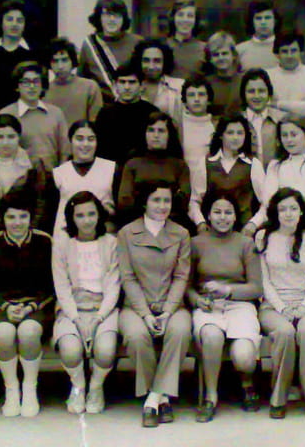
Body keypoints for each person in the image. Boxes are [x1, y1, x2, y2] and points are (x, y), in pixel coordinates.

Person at [117, 180, 191, 428]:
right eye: (156, 200)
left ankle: (152, 398)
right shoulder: (127, 233)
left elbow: (181, 277)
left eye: (166, 200)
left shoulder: (181, 234)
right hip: (136, 306)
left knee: (180, 331)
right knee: (136, 336)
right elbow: (128, 277)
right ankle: (163, 398)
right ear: (144, 203)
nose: (162, 206)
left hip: (172, 306)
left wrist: (168, 311)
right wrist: (146, 314)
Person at [189, 193, 262, 423]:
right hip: (208, 305)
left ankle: (247, 383)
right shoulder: (196, 243)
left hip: (239, 305)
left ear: (235, 216)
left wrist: (228, 290)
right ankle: (211, 396)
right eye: (217, 212)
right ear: (208, 215)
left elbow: (256, 288)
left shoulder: (245, 243)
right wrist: (196, 300)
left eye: (228, 212)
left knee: (244, 356)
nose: (223, 217)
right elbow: (186, 285)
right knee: (211, 336)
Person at [0, 192, 54, 418]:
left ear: (31, 217)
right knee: (4, 333)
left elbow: (52, 286)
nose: (17, 222)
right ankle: (11, 390)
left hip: (37, 307)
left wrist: (31, 306)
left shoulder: (44, 241)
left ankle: (30, 389)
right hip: (1, 307)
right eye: (11, 217)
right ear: (3, 219)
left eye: (23, 216)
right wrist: (6, 307)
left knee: (28, 332)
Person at [256, 188, 305, 420]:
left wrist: (304, 307)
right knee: (285, 333)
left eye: (293, 208)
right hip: (273, 306)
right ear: (275, 212)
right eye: (283, 209)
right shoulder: (263, 236)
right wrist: (282, 308)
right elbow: (264, 281)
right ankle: (278, 399)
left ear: (301, 212)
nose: (288, 213)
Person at [52, 191, 120, 414]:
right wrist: (75, 318)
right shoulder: (63, 244)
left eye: (91, 214)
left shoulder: (111, 243)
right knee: (70, 349)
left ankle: (96, 387)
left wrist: (100, 317)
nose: (87, 220)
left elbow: (113, 285)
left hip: (103, 307)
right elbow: (62, 286)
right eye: (80, 215)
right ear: (72, 218)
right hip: (72, 307)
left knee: (106, 349)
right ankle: (78, 386)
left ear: (99, 215)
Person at [0, 114, 49, 242]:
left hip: (26, 235)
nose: (5, 142)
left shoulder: (33, 164)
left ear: (19, 137)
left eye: (11, 137)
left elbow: (41, 203)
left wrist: (31, 235)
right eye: (0, 137)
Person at [189, 114, 265, 237]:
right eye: (230, 133)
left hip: (242, 233)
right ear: (221, 135)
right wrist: (200, 223)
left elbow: (266, 203)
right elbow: (195, 201)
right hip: (211, 233)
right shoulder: (206, 163)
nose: (235, 137)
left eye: (240, 133)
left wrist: (253, 224)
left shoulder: (253, 164)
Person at [117, 112, 190, 229]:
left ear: (169, 134)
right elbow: (124, 201)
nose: (156, 135)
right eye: (151, 130)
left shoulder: (179, 166)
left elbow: (183, 202)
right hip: (136, 223)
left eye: (161, 131)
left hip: (172, 224)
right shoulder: (132, 164)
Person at [0, 61, 71, 176]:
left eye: (36, 81)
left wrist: (61, 176)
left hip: (53, 178)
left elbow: (65, 150)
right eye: (26, 82)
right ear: (17, 86)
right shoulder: (6, 114)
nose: (32, 87)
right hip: (17, 180)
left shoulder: (56, 113)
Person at [51, 120, 116, 237]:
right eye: (79, 139)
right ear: (71, 140)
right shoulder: (58, 173)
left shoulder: (111, 169)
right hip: (66, 237)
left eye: (91, 139)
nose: (85, 144)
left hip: (104, 236)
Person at [78, 0, 143, 103]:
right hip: (103, 107)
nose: (112, 20)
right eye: (107, 15)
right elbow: (82, 80)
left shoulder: (137, 42)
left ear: (124, 19)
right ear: (99, 17)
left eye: (117, 16)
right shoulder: (89, 45)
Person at [95, 64, 160, 167]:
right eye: (122, 82)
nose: (127, 87)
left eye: (132, 82)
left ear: (141, 85)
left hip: (144, 170)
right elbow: (99, 150)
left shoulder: (151, 112)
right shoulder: (105, 114)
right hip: (111, 170)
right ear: (115, 85)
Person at [0, 0, 39, 112]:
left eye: (19, 20)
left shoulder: (35, 54)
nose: (14, 24)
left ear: (25, 24)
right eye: (9, 19)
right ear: (1, 22)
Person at [266, 32, 305, 119]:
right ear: (277, 54)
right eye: (284, 51)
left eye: (294, 51)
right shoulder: (267, 75)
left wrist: (278, 104)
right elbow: (265, 108)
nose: (290, 56)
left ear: (301, 53)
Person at [44, 37, 104, 126]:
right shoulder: (44, 91)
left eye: (64, 60)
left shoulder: (90, 87)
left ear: (72, 61)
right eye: (55, 61)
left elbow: (96, 123)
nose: (60, 66)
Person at [240, 68, 284, 167]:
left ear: (269, 93)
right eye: (251, 91)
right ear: (244, 94)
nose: (257, 96)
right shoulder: (238, 122)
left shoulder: (279, 120)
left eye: (261, 91)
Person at [131, 38, 184, 120]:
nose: (151, 66)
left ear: (165, 62)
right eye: (146, 61)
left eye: (157, 61)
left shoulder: (179, 87)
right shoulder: (129, 86)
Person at [178, 76, 216, 174]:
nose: (196, 99)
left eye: (201, 95)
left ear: (209, 99)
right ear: (185, 100)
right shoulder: (177, 126)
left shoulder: (217, 126)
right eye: (191, 95)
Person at [203, 31, 243, 117]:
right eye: (216, 55)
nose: (220, 58)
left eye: (224, 53)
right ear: (210, 59)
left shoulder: (244, 81)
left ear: (233, 55)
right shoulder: (205, 84)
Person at [165, 0, 206, 79]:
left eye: (190, 16)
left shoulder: (204, 49)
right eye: (180, 15)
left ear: (196, 20)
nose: (185, 20)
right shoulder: (164, 46)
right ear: (173, 18)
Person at [236, 1, 280, 70]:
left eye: (267, 18)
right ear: (252, 21)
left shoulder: (285, 50)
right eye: (258, 18)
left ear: (275, 21)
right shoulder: (240, 50)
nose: (263, 22)